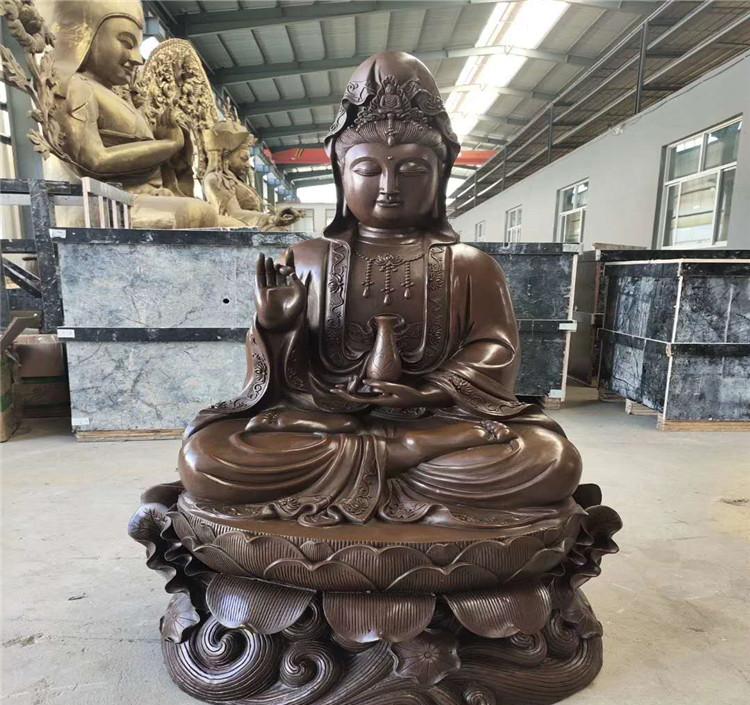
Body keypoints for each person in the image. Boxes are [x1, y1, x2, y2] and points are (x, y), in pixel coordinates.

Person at [179, 52, 582, 528]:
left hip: (436, 420)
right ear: (341, 174)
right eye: (368, 171)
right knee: (206, 457)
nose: (389, 186)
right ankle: (402, 455)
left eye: (412, 171)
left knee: (550, 460)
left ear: (439, 177)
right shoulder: (306, 258)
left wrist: (428, 392)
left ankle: (399, 452)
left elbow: (496, 349)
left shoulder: (471, 265)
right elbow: (278, 385)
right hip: (329, 420)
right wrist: (276, 328)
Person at [41, 0, 217, 228]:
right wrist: (168, 145)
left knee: (218, 218)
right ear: (87, 36)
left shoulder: (116, 97)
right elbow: (94, 160)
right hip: (104, 205)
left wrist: (171, 144)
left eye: (137, 47)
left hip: (135, 197)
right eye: (126, 43)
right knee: (198, 213)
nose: (137, 58)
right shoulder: (78, 87)